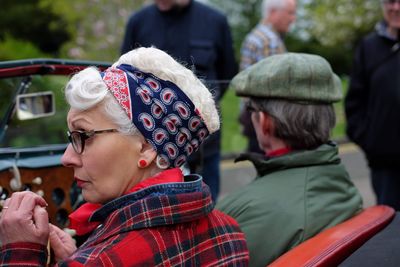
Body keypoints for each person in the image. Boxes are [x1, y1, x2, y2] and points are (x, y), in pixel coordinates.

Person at [0, 47, 249, 266]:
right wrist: (76, 257)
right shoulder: (230, 233)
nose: (67, 158)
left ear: (146, 147)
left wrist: (20, 252)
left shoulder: (101, 260)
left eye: (83, 136)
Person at [216, 53, 363, 267]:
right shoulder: (340, 184)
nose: (244, 118)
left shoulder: (235, 217)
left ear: (265, 122)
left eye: (251, 110)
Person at [121, 0, 237, 203]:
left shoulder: (214, 21)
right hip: (151, 147)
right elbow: (123, 75)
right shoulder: (139, 22)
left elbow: (227, 73)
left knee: (207, 206)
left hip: (203, 143)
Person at [345, 0, 400, 210]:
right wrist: (372, 142)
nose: (395, 7)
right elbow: (354, 103)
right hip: (385, 165)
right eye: (389, 2)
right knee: (392, 232)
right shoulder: (369, 48)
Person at [239, 0, 296, 154]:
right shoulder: (269, 42)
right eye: (290, 12)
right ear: (273, 12)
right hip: (268, 125)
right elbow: (273, 92)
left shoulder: (257, 35)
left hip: (255, 120)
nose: (293, 18)